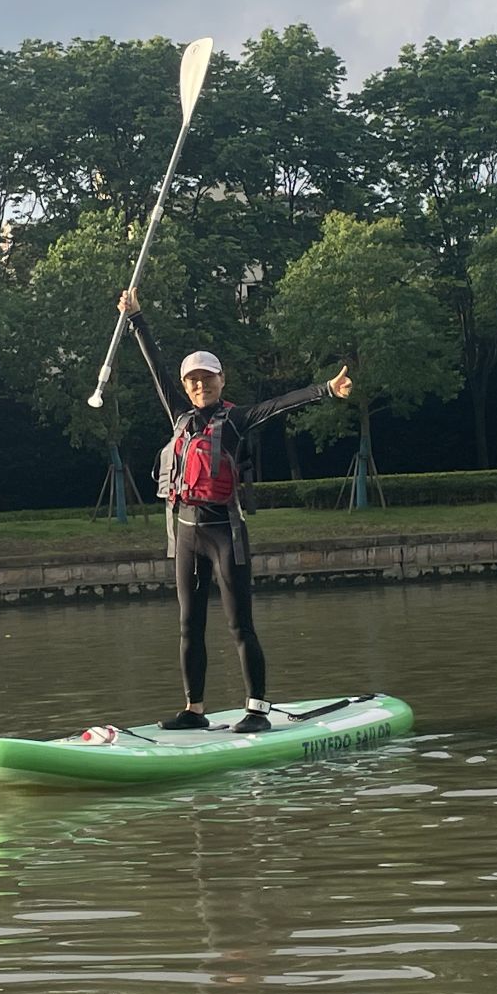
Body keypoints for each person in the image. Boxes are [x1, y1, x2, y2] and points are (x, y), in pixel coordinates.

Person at [120, 288, 353, 734]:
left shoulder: (237, 420)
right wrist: (136, 319)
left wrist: (326, 388)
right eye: (193, 380)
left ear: (221, 381)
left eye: (207, 378)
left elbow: (281, 403)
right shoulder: (180, 417)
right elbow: (156, 369)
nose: (199, 385)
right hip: (186, 533)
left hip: (225, 533)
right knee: (189, 626)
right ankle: (194, 710)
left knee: (240, 625)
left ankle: (257, 710)